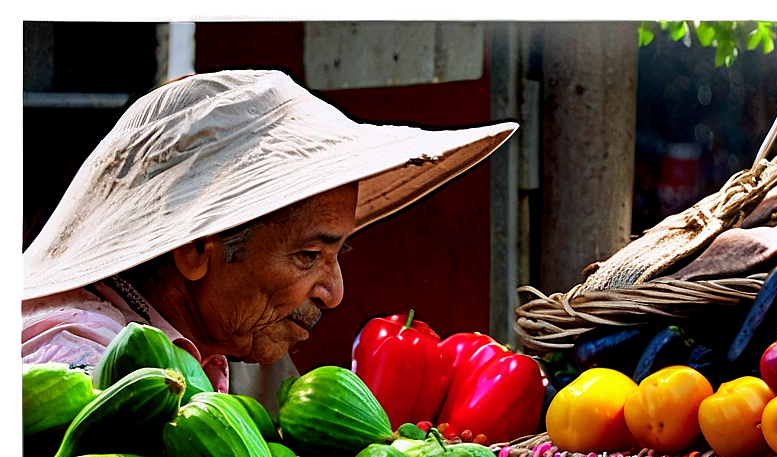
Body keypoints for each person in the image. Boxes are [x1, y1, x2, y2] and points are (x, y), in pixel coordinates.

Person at [22, 68, 517, 392]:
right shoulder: (83, 367)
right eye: (308, 255)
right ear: (196, 248)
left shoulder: (200, 351)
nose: (334, 292)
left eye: (338, 254)